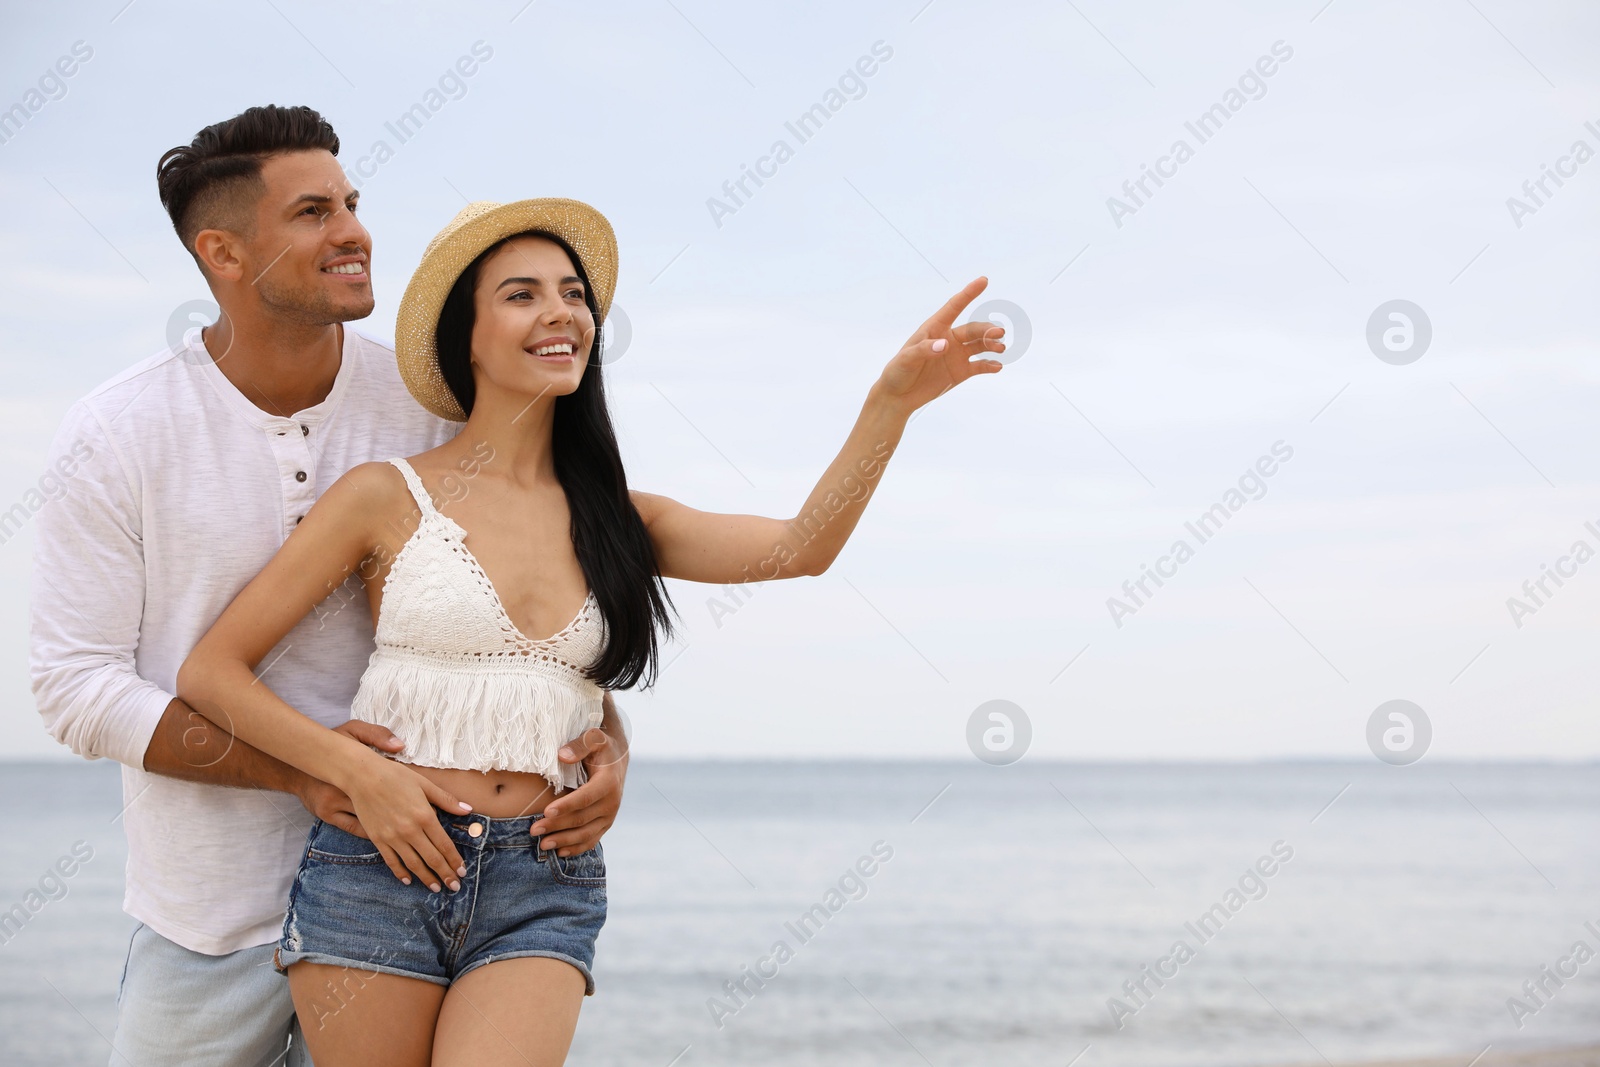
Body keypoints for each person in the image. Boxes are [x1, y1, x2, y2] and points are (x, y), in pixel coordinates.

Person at [174, 193, 1008, 1065]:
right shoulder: (385, 495)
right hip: (383, 864)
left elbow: (801, 547)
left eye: (573, 293)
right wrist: (349, 770)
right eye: (522, 294)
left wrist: (891, 405)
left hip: (543, 874)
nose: (561, 312)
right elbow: (213, 670)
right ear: (466, 333)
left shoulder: (618, 518)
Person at [28, 105, 630, 1067]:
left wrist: (605, 747)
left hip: (432, 886)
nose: (354, 232)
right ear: (223, 253)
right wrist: (321, 773)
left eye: (351, 202)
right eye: (313, 212)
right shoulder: (117, 434)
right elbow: (75, 687)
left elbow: (523, 615)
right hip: (211, 916)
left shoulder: (435, 411)